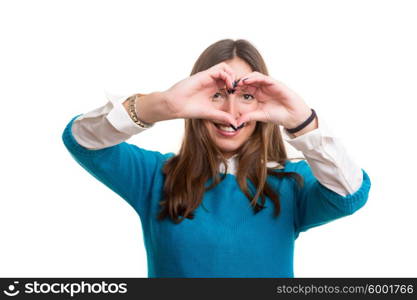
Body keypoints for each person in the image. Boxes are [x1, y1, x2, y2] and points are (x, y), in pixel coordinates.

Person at [61, 39, 371, 278]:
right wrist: (164, 105)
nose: (230, 112)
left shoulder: (291, 182)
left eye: (246, 96)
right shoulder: (155, 176)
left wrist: (302, 121)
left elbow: (350, 192)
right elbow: (82, 140)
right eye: (217, 94)